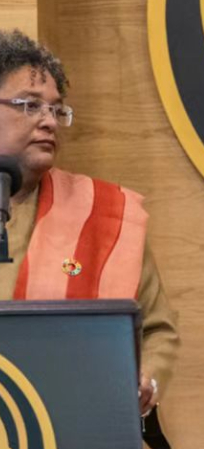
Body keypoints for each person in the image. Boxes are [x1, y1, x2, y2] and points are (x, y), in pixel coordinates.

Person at [0, 29, 178, 414]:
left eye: (56, 110)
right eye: (30, 105)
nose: (49, 121)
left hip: (73, 421)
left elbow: (157, 330)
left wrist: (145, 380)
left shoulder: (105, 215)